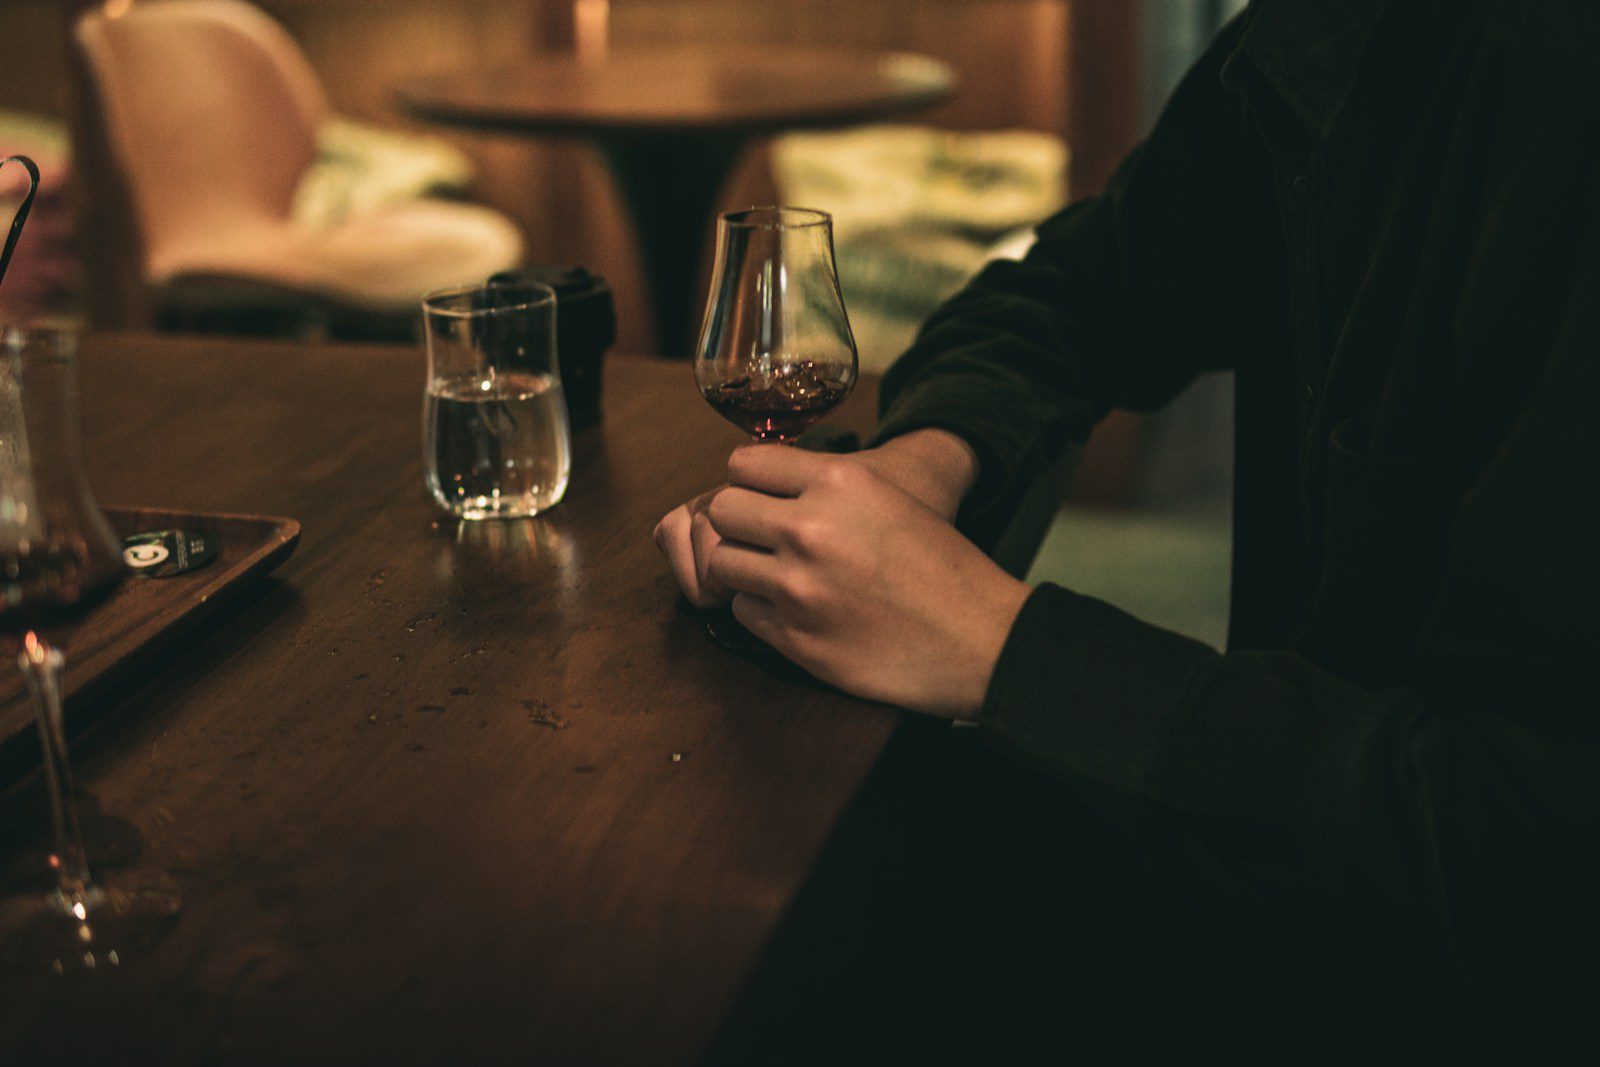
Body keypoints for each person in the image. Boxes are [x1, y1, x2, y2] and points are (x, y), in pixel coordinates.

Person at [656, 0, 1600, 995]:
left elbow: (1533, 851)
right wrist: (923, 463)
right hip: (1278, 875)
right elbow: (1076, 288)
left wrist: (996, 639)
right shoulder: (1315, 43)